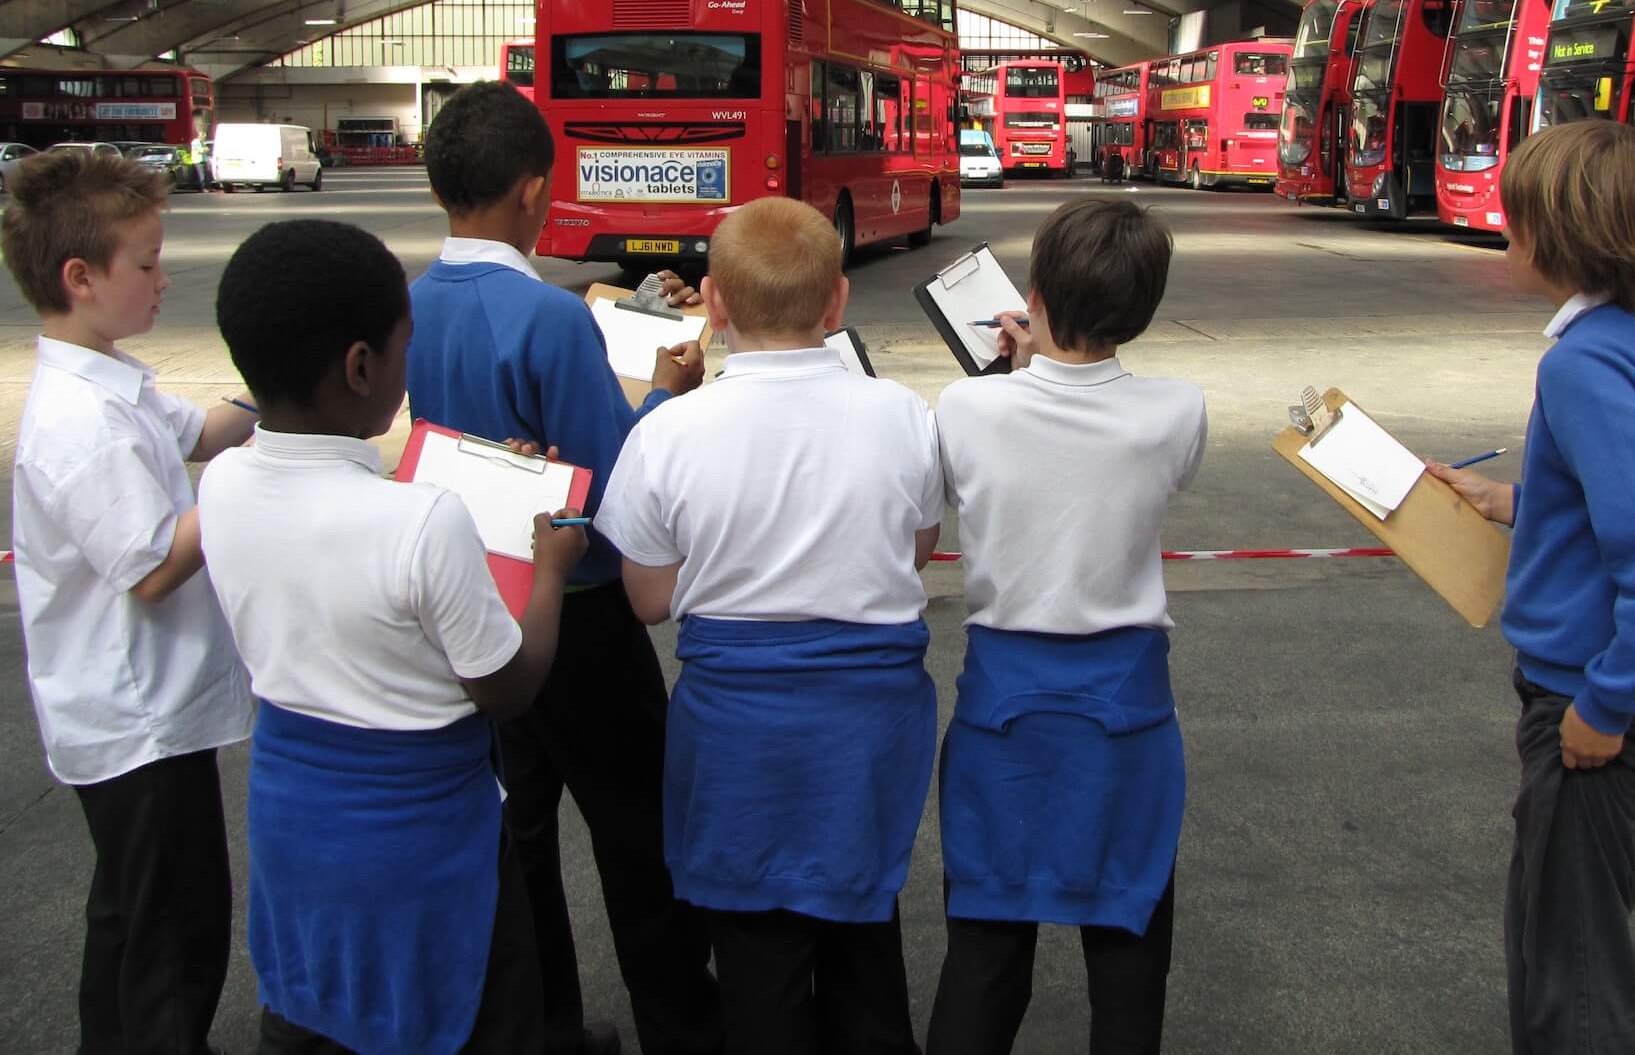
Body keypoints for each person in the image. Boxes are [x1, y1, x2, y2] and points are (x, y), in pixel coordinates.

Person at [197, 219, 582, 1054]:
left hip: (295, 824)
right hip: (424, 849)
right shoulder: (424, 520)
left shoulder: (222, 485)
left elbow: (347, 542)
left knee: (321, 1007)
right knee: (464, 1014)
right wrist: (549, 565)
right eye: (403, 350)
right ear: (361, 366)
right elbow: (508, 686)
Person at [404, 81, 719, 1055]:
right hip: (576, 615)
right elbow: (612, 489)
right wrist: (664, 395)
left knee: (521, 836)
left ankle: (545, 1026)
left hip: (478, 613)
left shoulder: (411, 304)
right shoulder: (547, 319)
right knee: (638, 841)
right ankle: (680, 1029)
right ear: (535, 190)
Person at [595, 197, 943, 1055]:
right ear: (837, 304)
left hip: (737, 743)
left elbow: (647, 598)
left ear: (712, 304)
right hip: (866, 735)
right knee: (865, 942)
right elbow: (919, 547)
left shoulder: (669, 431)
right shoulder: (902, 415)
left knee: (757, 965)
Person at [1428, 120, 1635, 1055]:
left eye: (1515, 222)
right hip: (1611, 685)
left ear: (1557, 237)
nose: (1505, 236)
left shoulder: (1582, 363)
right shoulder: (1633, 338)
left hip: (1589, 692)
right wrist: (1519, 500)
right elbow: (1622, 495)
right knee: (1566, 931)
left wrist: (1606, 701)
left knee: (1571, 963)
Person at [925, 197, 1206, 1055]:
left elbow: (995, 451)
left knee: (985, 944)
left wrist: (1016, 368)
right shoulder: (1178, 409)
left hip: (1004, 709)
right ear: (1145, 308)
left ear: (1033, 296)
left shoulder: (968, 408)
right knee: (1127, 946)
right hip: (1126, 712)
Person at [2, 149, 259, 1054]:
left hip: (150, 712)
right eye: (145, 265)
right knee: (171, 936)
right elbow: (154, 568)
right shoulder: (82, 424)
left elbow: (211, 428)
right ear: (81, 277)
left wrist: (283, 374)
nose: (162, 280)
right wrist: (246, 487)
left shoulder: (116, 381)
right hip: (135, 722)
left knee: (128, 917)